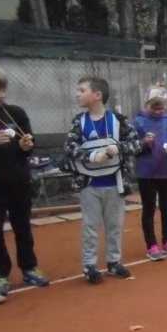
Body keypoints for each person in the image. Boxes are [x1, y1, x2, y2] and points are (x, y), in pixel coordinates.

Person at [64, 76, 141, 284]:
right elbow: (69, 148)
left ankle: (114, 262)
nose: (77, 93)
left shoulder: (118, 120)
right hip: (90, 185)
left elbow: (136, 144)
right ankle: (89, 266)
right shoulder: (79, 121)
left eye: (82, 90)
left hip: (115, 184)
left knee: (115, 225)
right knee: (90, 226)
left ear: (97, 95)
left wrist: (120, 148)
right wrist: (91, 156)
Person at [0, 64, 50, 304]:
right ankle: (0, 274)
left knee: (22, 226)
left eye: (3, 90)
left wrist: (27, 146)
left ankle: (29, 267)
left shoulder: (15, 112)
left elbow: (28, 142)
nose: (2, 95)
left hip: (19, 180)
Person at [131, 83, 167, 261]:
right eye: (154, 106)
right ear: (147, 105)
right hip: (146, 174)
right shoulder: (137, 122)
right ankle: (151, 245)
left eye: (161, 107)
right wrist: (145, 143)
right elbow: (132, 148)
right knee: (149, 209)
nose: (158, 110)